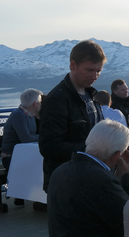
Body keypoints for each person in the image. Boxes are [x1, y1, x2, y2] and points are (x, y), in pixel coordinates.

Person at [39, 40, 106, 192]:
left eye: (99, 71)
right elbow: (49, 147)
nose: (95, 76)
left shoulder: (90, 95)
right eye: (89, 70)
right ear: (73, 65)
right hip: (66, 183)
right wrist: (92, 149)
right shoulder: (57, 99)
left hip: (88, 177)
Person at [1, 88, 42, 171]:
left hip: (23, 155)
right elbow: (26, 138)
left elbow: (32, 136)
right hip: (12, 157)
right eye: (40, 102)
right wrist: (42, 137)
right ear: (35, 104)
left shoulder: (29, 115)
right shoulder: (18, 116)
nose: (41, 105)